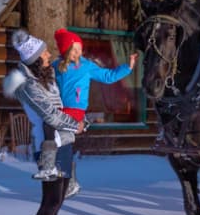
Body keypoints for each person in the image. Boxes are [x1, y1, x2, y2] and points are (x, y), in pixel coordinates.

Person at [3, 29, 84, 215]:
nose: (49, 55)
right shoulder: (28, 86)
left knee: (58, 200)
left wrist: (79, 121)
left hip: (64, 142)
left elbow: (60, 108)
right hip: (48, 146)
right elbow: (49, 115)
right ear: (35, 58)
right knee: (51, 199)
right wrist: (73, 124)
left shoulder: (46, 80)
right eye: (45, 52)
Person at [50, 28, 139, 195]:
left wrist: (127, 67)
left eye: (79, 48)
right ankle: (66, 178)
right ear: (65, 50)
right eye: (74, 49)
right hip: (59, 111)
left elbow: (108, 76)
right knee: (58, 145)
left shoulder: (86, 66)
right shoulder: (55, 67)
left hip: (75, 111)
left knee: (62, 142)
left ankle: (69, 181)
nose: (78, 52)